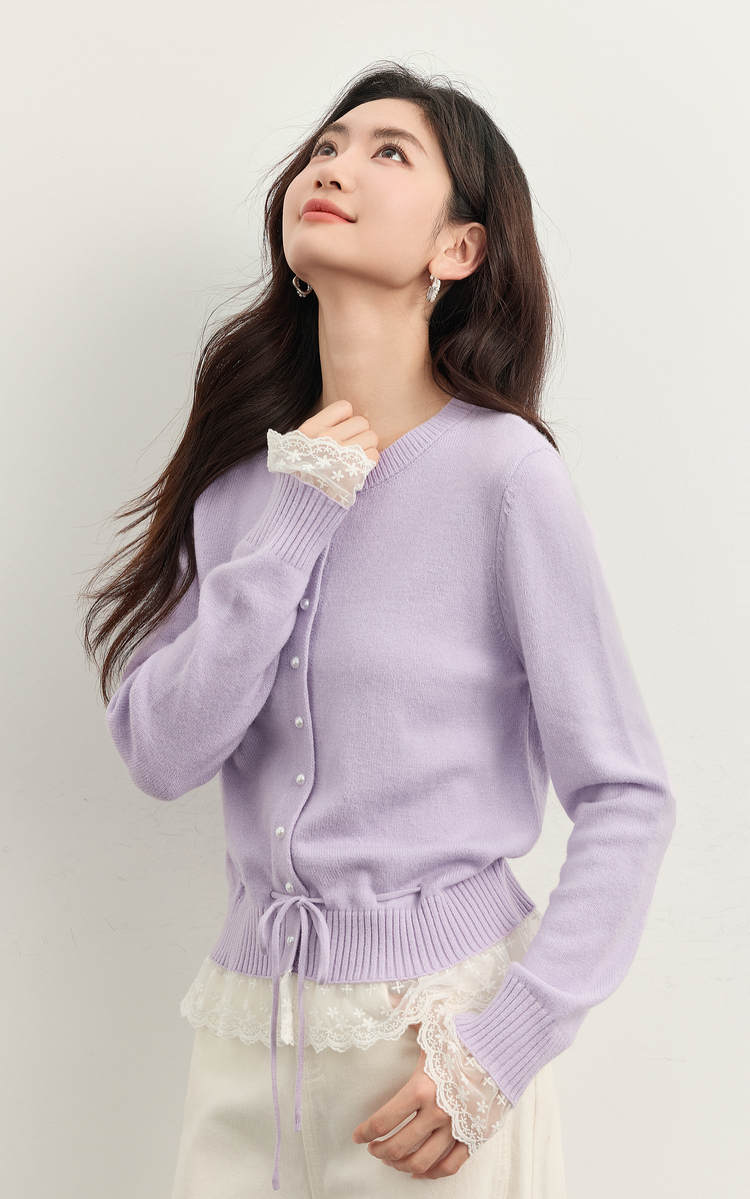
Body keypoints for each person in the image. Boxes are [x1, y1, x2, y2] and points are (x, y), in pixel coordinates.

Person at [80, 61, 676, 1198]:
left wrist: (502, 1048)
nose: (335, 165)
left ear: (459, 248)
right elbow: (160, 752)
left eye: (387, 151)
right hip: (244, 1042)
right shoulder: (240, 490)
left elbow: (627, 794)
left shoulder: (505, 475)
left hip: (434, 1049)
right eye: (326, 147)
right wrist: (294, 523)